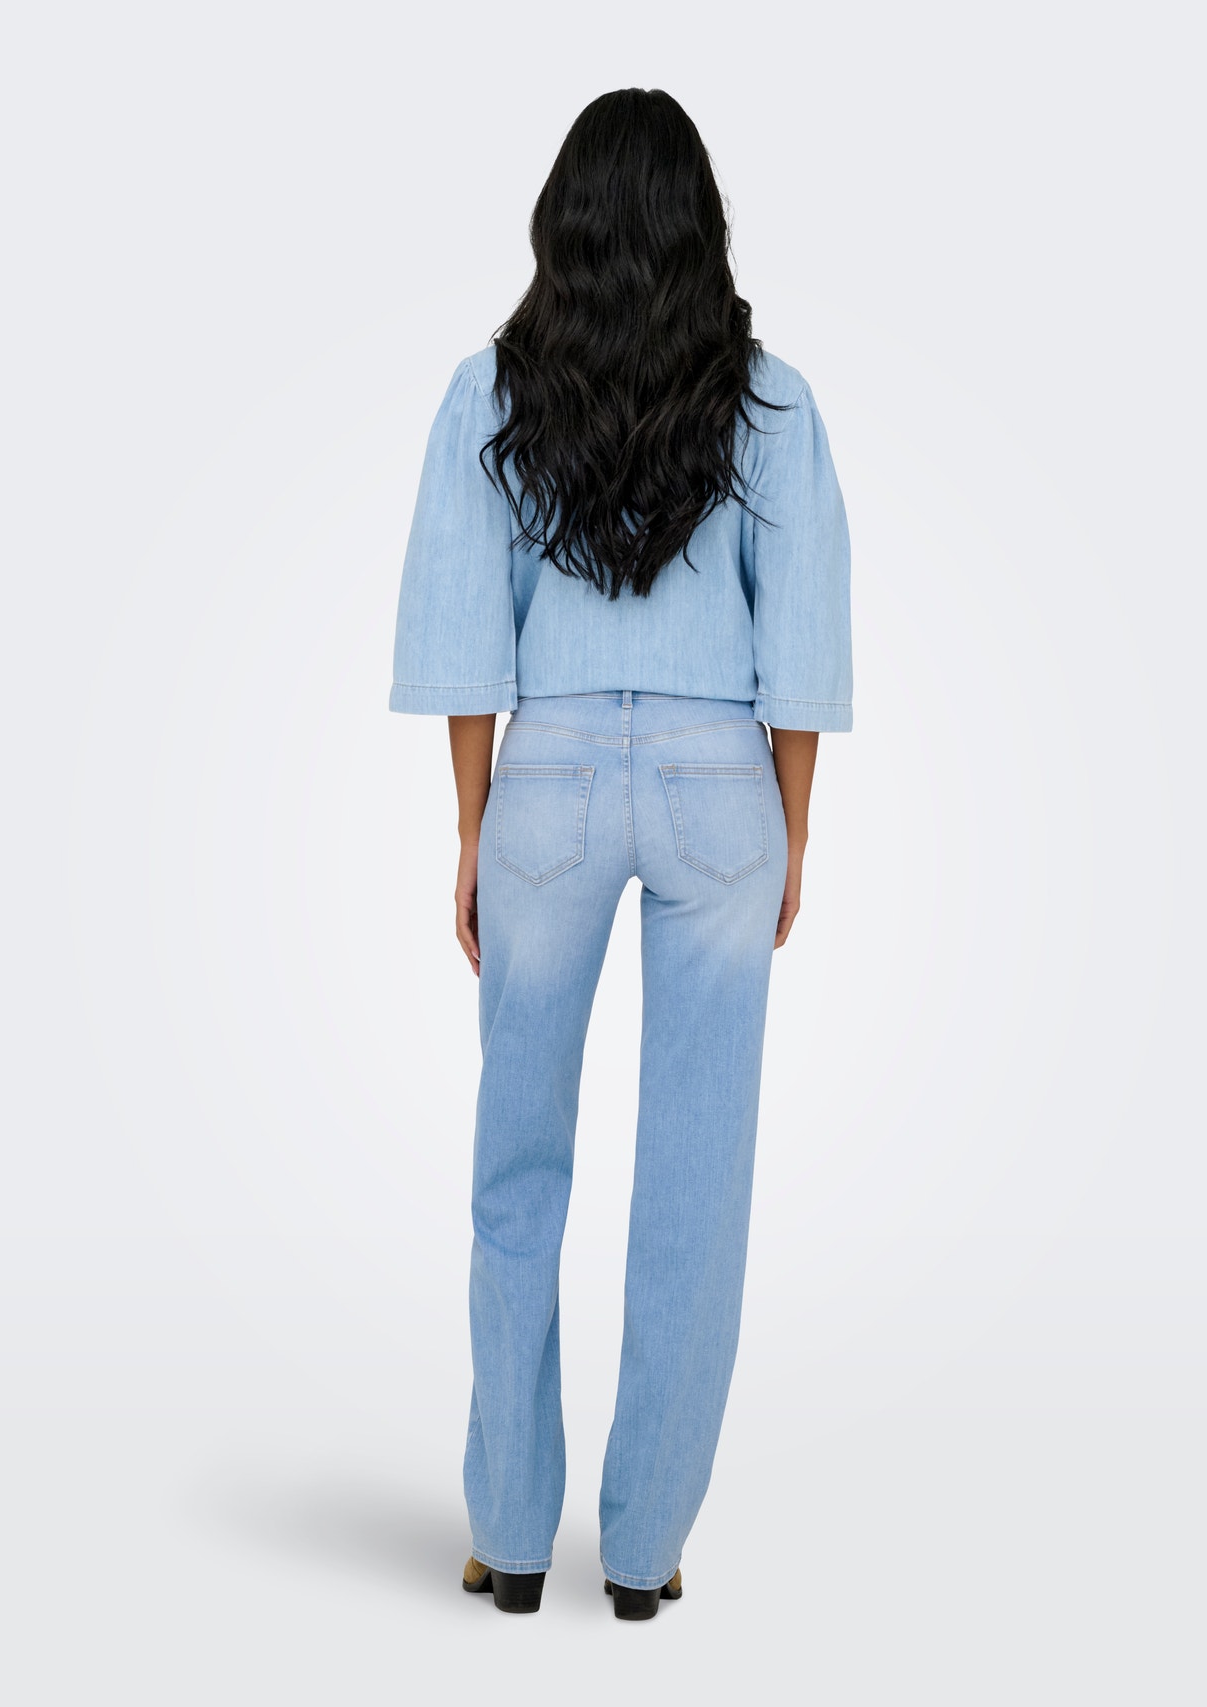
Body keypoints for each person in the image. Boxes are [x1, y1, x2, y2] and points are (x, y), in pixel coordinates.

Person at [387, 87, 853, 1622]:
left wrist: (475, 825)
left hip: (551, 774)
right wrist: (791, 830)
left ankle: (511, 1535)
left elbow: (465, 635)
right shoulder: (769, 400)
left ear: (565, 223)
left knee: (515, 1161)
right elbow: (802, 645)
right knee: (698, 1180)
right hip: (725, 777)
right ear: (703, 225)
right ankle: (644, 1554)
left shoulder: (493, 391)